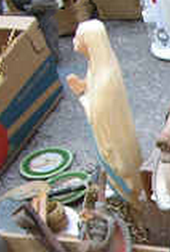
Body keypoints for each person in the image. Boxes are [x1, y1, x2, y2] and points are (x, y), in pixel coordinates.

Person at [66, 20, 144, 220]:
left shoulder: (105, 79)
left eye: (78, 38)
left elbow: (97, 114)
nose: (74, 42)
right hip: (114, 135)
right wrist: (84, 86)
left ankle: (134, 214)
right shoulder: (97, 65)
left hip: (114, 143)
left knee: (123, 181)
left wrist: (81, 95)